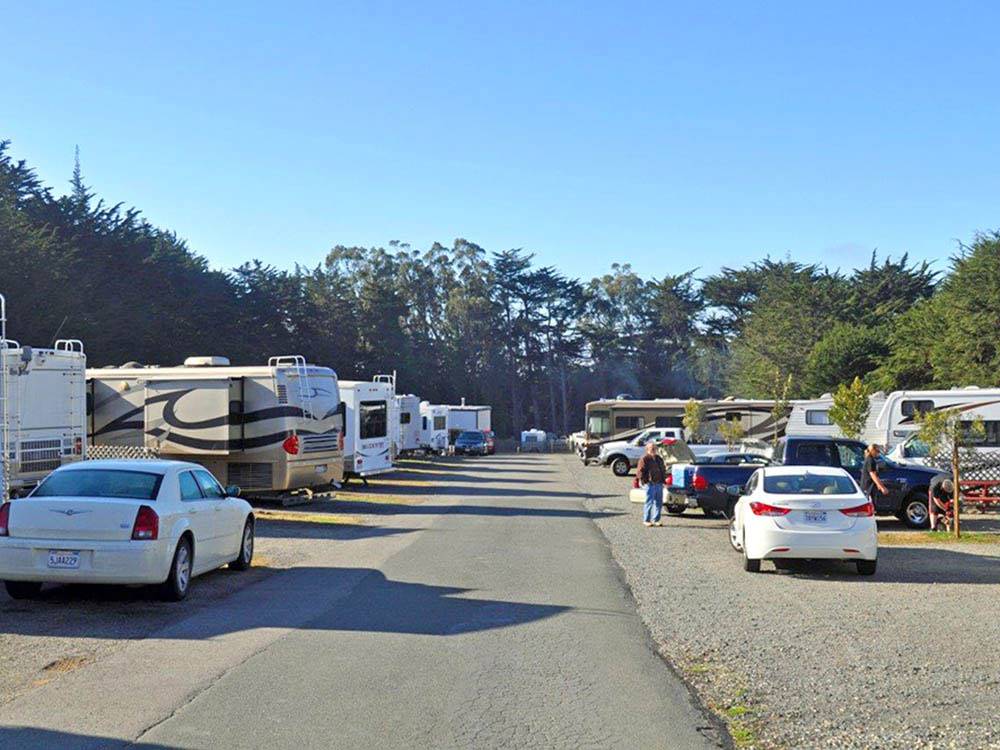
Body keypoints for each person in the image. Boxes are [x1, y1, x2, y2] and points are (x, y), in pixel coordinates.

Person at [636, 442, 667, 527]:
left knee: (659, 503)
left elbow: (663, 469)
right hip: (650, 484)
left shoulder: (659, 458)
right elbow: (640, 471)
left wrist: (664, 480)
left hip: (659, 483)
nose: (653, 450)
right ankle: (646, 520)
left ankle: (656, 520)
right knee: (649, 502)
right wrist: (644, 481)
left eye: (654, 448)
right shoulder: (644, 459)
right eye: (651, 448)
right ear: (647, 449)